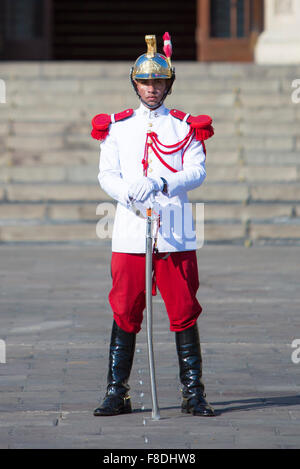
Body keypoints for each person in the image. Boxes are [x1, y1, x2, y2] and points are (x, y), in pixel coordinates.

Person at [91, 33, 215, 417]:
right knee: (125, 308)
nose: (151, 88)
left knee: (183, 310)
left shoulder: (184, 126)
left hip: (174, 231)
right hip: (130, 229)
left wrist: (163, 182)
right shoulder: (117, 127)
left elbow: (197, 170)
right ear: (135, 83)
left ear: (169, 83)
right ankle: (117, 391)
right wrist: (129, 192)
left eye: (158, 81)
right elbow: (106, 174)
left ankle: (193, 392)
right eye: (145, 81)